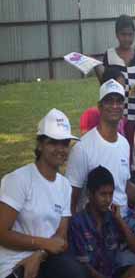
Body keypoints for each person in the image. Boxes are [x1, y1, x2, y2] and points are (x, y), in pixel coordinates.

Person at [0, 109, 88, 278]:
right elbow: (1, 232)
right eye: (53, 142)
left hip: (45, 258)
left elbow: (61, 238)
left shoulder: (64, 186)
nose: (61, 149)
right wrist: (44, 243)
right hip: (13, 265)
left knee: (77, 272)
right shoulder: (19, 180)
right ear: (40, 145)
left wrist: (40, 253)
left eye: (65, 143)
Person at [67, 79, 135, 218]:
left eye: (119, 101)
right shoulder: (82, 148)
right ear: (100, 106)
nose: (115, 106)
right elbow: (71, 198)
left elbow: (124, 185)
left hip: (125, 221)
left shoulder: (124, 144)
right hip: (96, 227)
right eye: (109, 101)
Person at [68, 166, 135, 278]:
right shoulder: (77, 223)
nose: (108, 200)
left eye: (110, 194)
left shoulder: (112, 218)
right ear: (89, 194)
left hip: (113, 273)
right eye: (103, 194)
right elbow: (83, 265)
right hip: (88, 275)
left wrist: (120, 220)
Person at [99, 15, 135, 156]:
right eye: (123, 34)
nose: (127, 38)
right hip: (114, 111)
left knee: (132, 146)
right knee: (114, 145)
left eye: (130, 35)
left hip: (134, 111)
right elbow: (105, 83)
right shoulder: (109, 55)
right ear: (117, 34)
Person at [80, 67, 127, 136]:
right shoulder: (92, 114)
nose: (122, 89)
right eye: (118, 86)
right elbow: (85, 140)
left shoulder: (120, 117)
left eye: (123, 87)